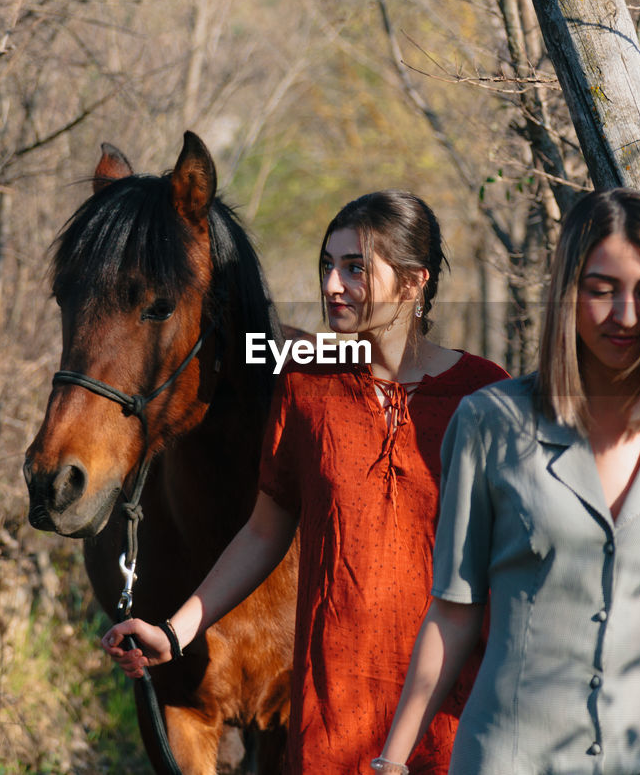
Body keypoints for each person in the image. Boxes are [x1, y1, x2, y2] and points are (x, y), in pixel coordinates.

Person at [102, 190, 508, 774]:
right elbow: (265, 531)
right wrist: (177, 630)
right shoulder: (307, 389)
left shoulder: (485, 393)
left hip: (455, 711)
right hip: (334, 715)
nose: (332, 285)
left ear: (416, 283)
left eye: (355, 268)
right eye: (327, 265)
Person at [377, 188, 640, 775]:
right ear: (567, 293)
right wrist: (393, 761)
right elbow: (454, 611)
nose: (626, 314)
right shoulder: (487, 424)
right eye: (601, 289)